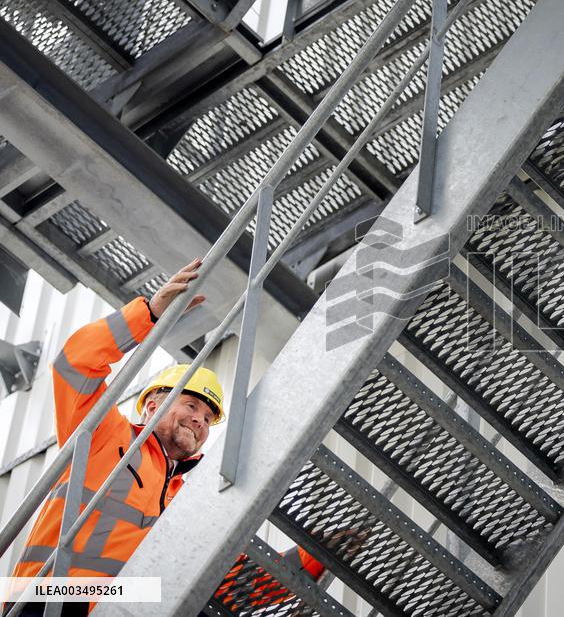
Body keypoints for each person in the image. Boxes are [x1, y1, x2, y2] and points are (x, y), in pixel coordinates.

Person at [2, 260, 347, 616]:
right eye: (191, 405)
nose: (199, 420)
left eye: (208, 418)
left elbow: (228, 580)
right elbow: (74, 364)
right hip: (50, 596)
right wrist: (149, 313)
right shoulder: (106, 436)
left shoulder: (186, 501)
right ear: (153, 405)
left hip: (119, 607)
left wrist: (314, 558)